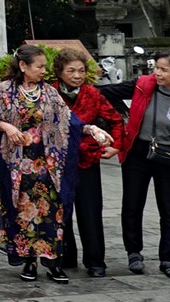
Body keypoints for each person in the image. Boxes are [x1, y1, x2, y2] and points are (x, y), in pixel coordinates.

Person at [0, 44, 104, 285]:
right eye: (39, 66)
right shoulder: (3, 90)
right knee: (23, 213)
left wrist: (90, 128)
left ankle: (53, 263)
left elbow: (69, 120)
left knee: (52, 213)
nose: (44, 71)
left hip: (48, 165)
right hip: (18, 165)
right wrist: (6, 126)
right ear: (23, 66)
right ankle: (29, 261)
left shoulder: (49, 93)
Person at [100, 50, 170, 280]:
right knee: (132, 205)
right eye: (156, 67)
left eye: (163, 69)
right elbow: (108, 92)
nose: (157, 72)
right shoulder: (142, 84)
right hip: (137, 153)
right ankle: (134, 253)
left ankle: (168, 259)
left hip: (168, 157)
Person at [53, 48, 123, 278]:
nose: (77, 75)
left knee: (90, 211)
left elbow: (116, 120)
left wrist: (115, 147)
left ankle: (95, 261)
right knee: (60, 211)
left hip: (87, 161)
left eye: (81, 71)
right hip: (58, 163)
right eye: (71, 70)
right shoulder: (50, 94)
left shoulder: (92, 94)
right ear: (59, 72)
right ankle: (65, 256)